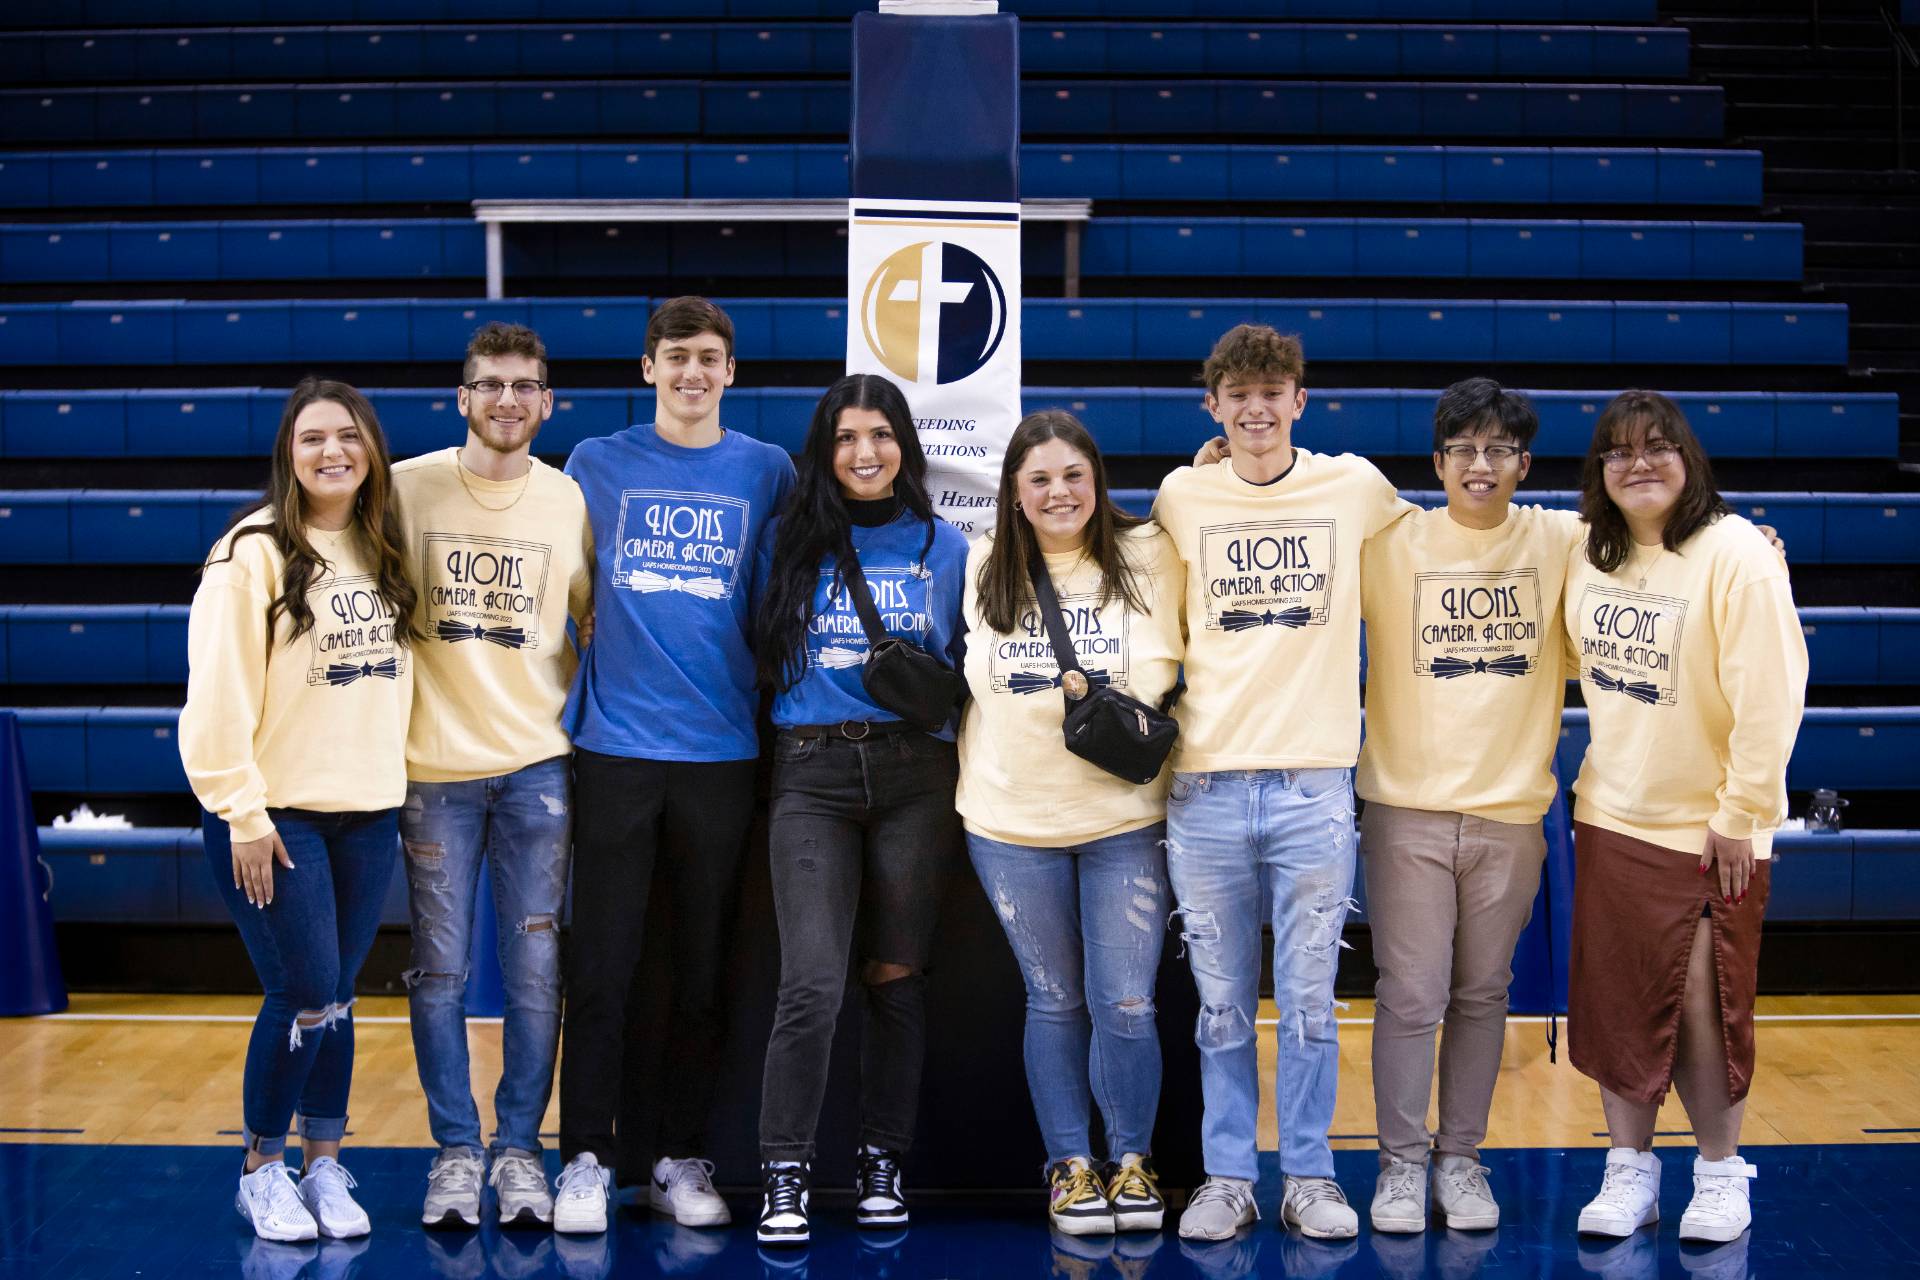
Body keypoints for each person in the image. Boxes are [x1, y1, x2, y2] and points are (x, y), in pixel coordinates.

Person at [1152, 324, 1412, 1243]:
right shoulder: (1183, 494)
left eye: (1274, 392)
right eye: (1238, 394)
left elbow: (1455, 548)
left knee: (1306, 1003)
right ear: (1213, 407)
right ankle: (1229, 1175)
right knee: (1221, 1004)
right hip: (1207, 789)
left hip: (1313, 790)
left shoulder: (1356, 486)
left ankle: (1308, 1173)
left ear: (1301, 401)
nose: (1257, 408)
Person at [553, 297, 796, 1234]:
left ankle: (677, 1155)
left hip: (724, 753)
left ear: (731, 372)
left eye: (709, 359)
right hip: (614, 750)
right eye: (676, 357)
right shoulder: (594, 464)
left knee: (701, 971)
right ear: (647, 367)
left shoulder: (767, 471)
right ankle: (584, 1155)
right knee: (605, 968)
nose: (692, 373)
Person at [1563, 390, 1805, 1243]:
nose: (1639, 464)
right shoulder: (1589, 555)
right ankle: (1629, 1171)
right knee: (1618, 1002)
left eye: (1658, 447)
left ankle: (1719, 1174)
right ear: (1600, 472)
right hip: (1611, 814)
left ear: (1689, 460)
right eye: (1619, 451)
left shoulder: (1736, 552)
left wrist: (1741, 814)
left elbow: (1772, 698)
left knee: (1706, 1008)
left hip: (1709, 830)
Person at [179, 378, 417, 1242]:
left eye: (348, 437)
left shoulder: (381, 545)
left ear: (370, 451)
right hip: (278, 818)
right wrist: (242, 811)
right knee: (306, 993)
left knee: (342, 998)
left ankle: (324, 1168)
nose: (332, 453)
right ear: (289, 453)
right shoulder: (250, 553)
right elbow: (214, 701)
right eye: (313, 438)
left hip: (369, 811)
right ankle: (260, 1170)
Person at [1353, 379, 1580, 1233]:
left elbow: (1662, 544)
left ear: (1523, 464)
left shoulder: (1561, 539)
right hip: (1406, 809)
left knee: (1484, 993)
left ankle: (1461, 1158)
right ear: (1437, 462)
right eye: (1463, 450)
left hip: (1512, 815)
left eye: (1497, 451)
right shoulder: (1391, 539)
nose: (1479, 466)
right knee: (1411, 994)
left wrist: (1757, 541)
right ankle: (1401, 1165)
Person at [751, 374, 970, 1247]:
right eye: (845, 438)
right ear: (825, 450)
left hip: (917, 776)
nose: (864, 453)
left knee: (895, 980)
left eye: (880, 435)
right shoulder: (786, 542)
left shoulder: (945, 547)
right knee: (810, 982)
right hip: (810, 771)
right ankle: (784, 1171)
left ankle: (883, 1157)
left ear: (905, 447)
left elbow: (960, 665)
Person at [956, 410, 1187, 1236]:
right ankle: (1069, 1167)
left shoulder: (1151, 554)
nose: (1059, 492)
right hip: (1010, 821)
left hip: (1126, 818)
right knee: (1052, 1000)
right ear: (1015, 495)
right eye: (1040, 479)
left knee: (1125, 1001)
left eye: (1073, 475)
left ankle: (1132, 1160)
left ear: (1098, 480)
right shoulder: (981, 564)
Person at [392, 322, 593, 1229]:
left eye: (525, 386)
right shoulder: (403, 489)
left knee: (534, 972)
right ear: (461, 397)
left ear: (547, 403)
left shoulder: (571, 503)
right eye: (490, 385)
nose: (508, 400)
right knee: (437, 974)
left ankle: (519, 1151)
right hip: (431, 775)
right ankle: (454, 1152)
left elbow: (593, 627)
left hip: (537, 771)